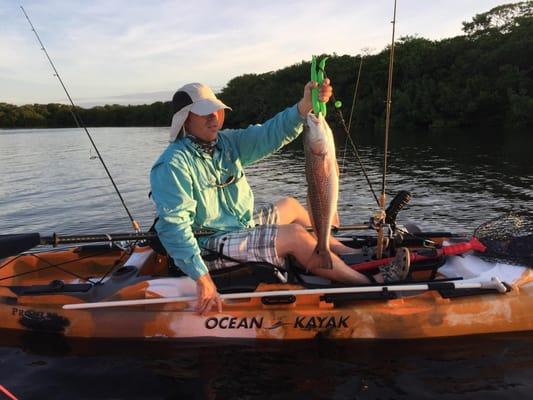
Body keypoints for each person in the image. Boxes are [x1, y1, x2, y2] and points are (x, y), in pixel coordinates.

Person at [150, 80, 410, 315]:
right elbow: (173, 227)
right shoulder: (173, 164)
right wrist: (202, 278)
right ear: (186, 120)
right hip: (206, 243)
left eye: (215, 111)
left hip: (237, 226)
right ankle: (368, 284)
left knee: (291, 206)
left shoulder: (227, 144)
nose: (214, 119)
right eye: (204, 113)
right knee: (294, 236)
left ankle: (343, 252)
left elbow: (269, 134)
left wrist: (304, 105)